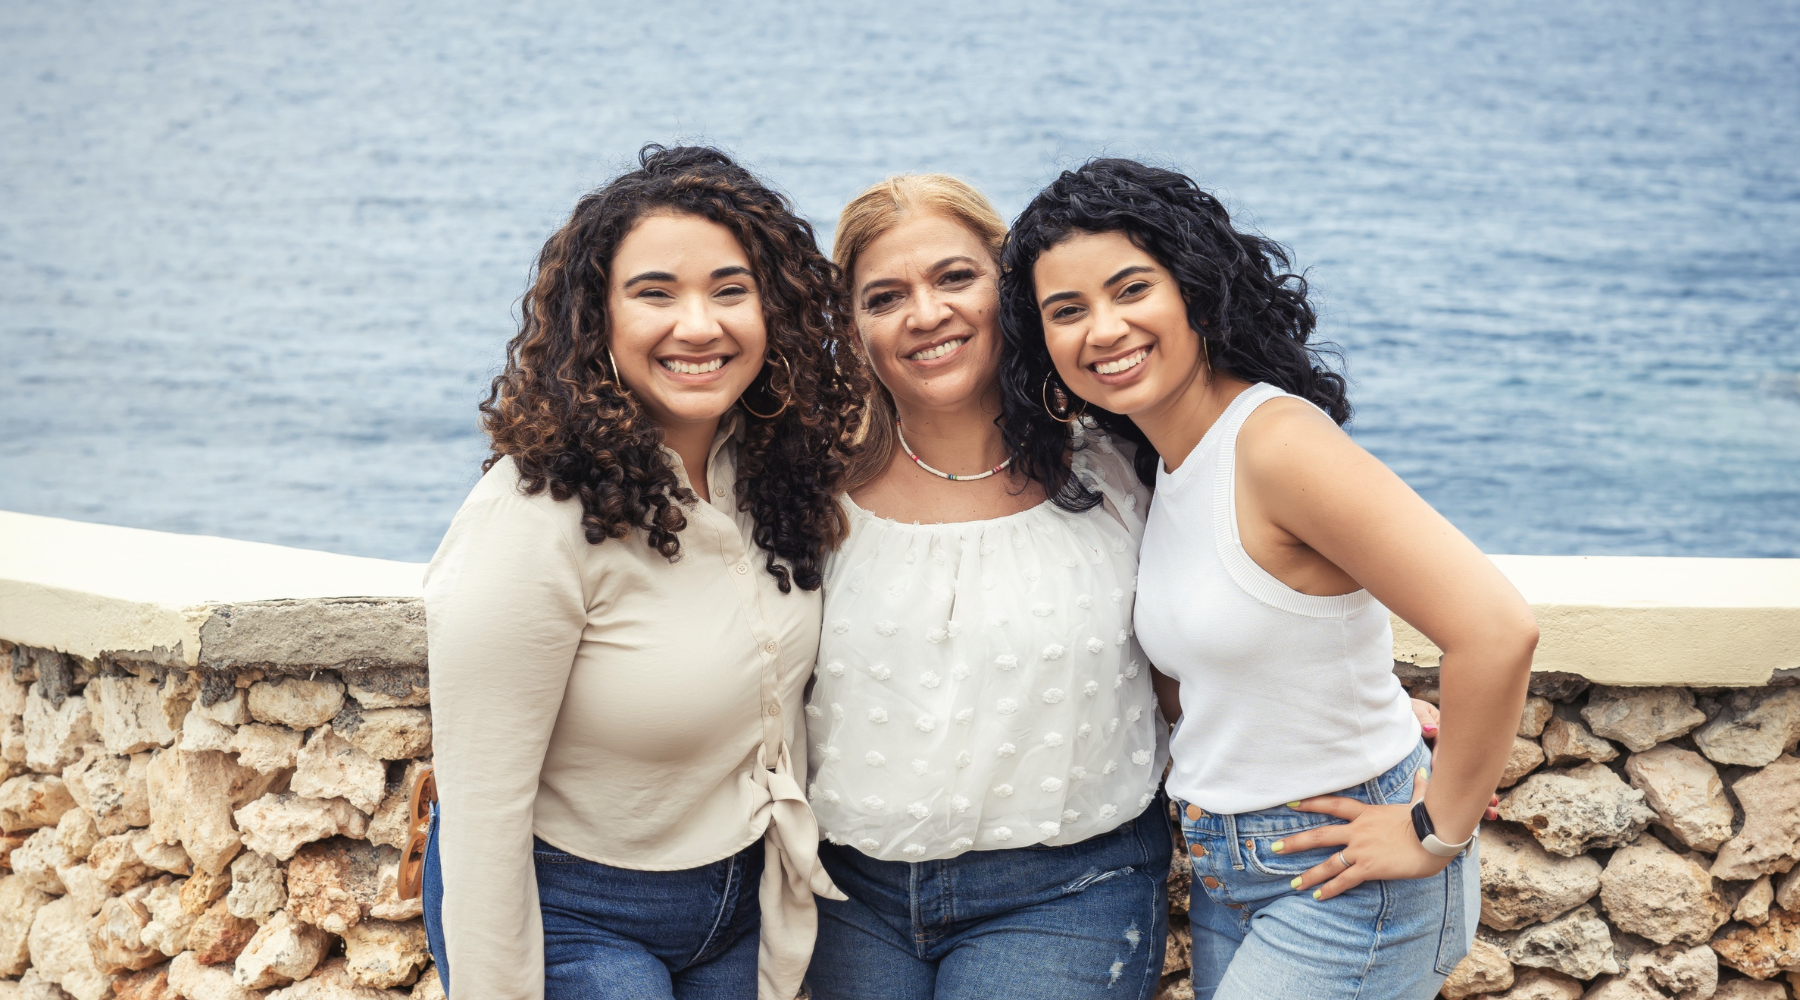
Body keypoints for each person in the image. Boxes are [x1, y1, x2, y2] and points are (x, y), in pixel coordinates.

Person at [998, 158, 1538, 1000]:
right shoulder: (1165, 462)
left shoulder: (1276, 441)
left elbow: (1497, 630)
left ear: (1196, 294)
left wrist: (1437, 830)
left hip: (1349, 884)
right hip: (1233, 869)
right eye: (1067, 311)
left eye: (1131, 289)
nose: (1103, 330)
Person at [421, 144, 869, 1000]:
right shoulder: (532, 515)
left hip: (743, 901)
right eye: (655, 293)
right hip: (577, 910)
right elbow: (479, 813)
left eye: (730, 291)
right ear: (598, 317)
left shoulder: (770, 470)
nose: (699, 326)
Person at [801, 174, 1173, 1000]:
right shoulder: (805, 491)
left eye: (955, 278)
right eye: (885, 296)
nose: (926, 313)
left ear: (1011, 292)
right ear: (850, 325)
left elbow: (1217, 623)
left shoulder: (1117, 462)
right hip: (845, 892)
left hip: (1071, 886)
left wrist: (1345, 697)